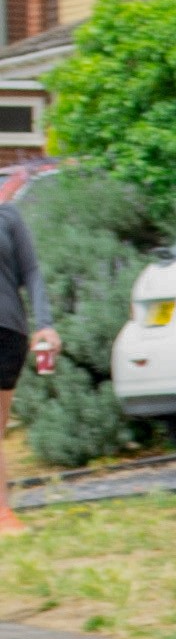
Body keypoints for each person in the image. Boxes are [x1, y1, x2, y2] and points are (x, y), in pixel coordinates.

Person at [0, 179, 48, 535]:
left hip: (7, 331)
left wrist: (44, 324)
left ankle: (3, 515)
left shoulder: (8, 216)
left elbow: (31, 271)